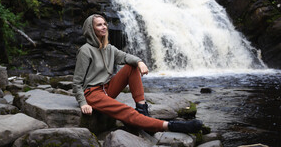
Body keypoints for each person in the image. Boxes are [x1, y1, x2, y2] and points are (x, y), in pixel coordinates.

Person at [72, 14, 202, 134]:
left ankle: (142, 110)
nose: (104, 27)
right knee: (126, 110)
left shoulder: (109, 49)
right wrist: (83, 103)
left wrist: (140, 62)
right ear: (91, 28)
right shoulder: (85, 51)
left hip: (107, 88)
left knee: (131, 67)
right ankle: (170, 126)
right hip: (93, 93)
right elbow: (77, 82)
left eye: (105, 24)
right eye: (99, 25)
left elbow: (126, 57)